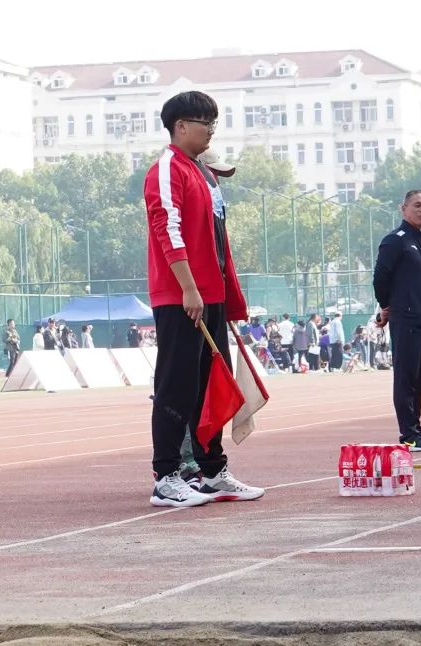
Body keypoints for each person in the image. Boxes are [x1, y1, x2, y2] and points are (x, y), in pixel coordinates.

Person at [143, 89, 263, 507]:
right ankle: (166, 477)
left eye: (214, 123)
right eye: (204, 123)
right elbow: (167, 228)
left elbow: (216, 239)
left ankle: (212, 472)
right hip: (181, 296)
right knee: (176, 385)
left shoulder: (203, 173)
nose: (211, 130)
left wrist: (224, 296)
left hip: (209, 295)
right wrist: (189, 287)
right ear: (180, 126)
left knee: (210, 386)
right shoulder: (167, 168)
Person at [373, 189, 421, 452]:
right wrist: (386, 306)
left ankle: (417, 430)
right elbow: (380, 278)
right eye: (417, 205)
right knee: (406, 378)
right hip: (407, 320)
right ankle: (409, 436)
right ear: (403, 208)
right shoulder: (395, 241)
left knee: (420, 379)